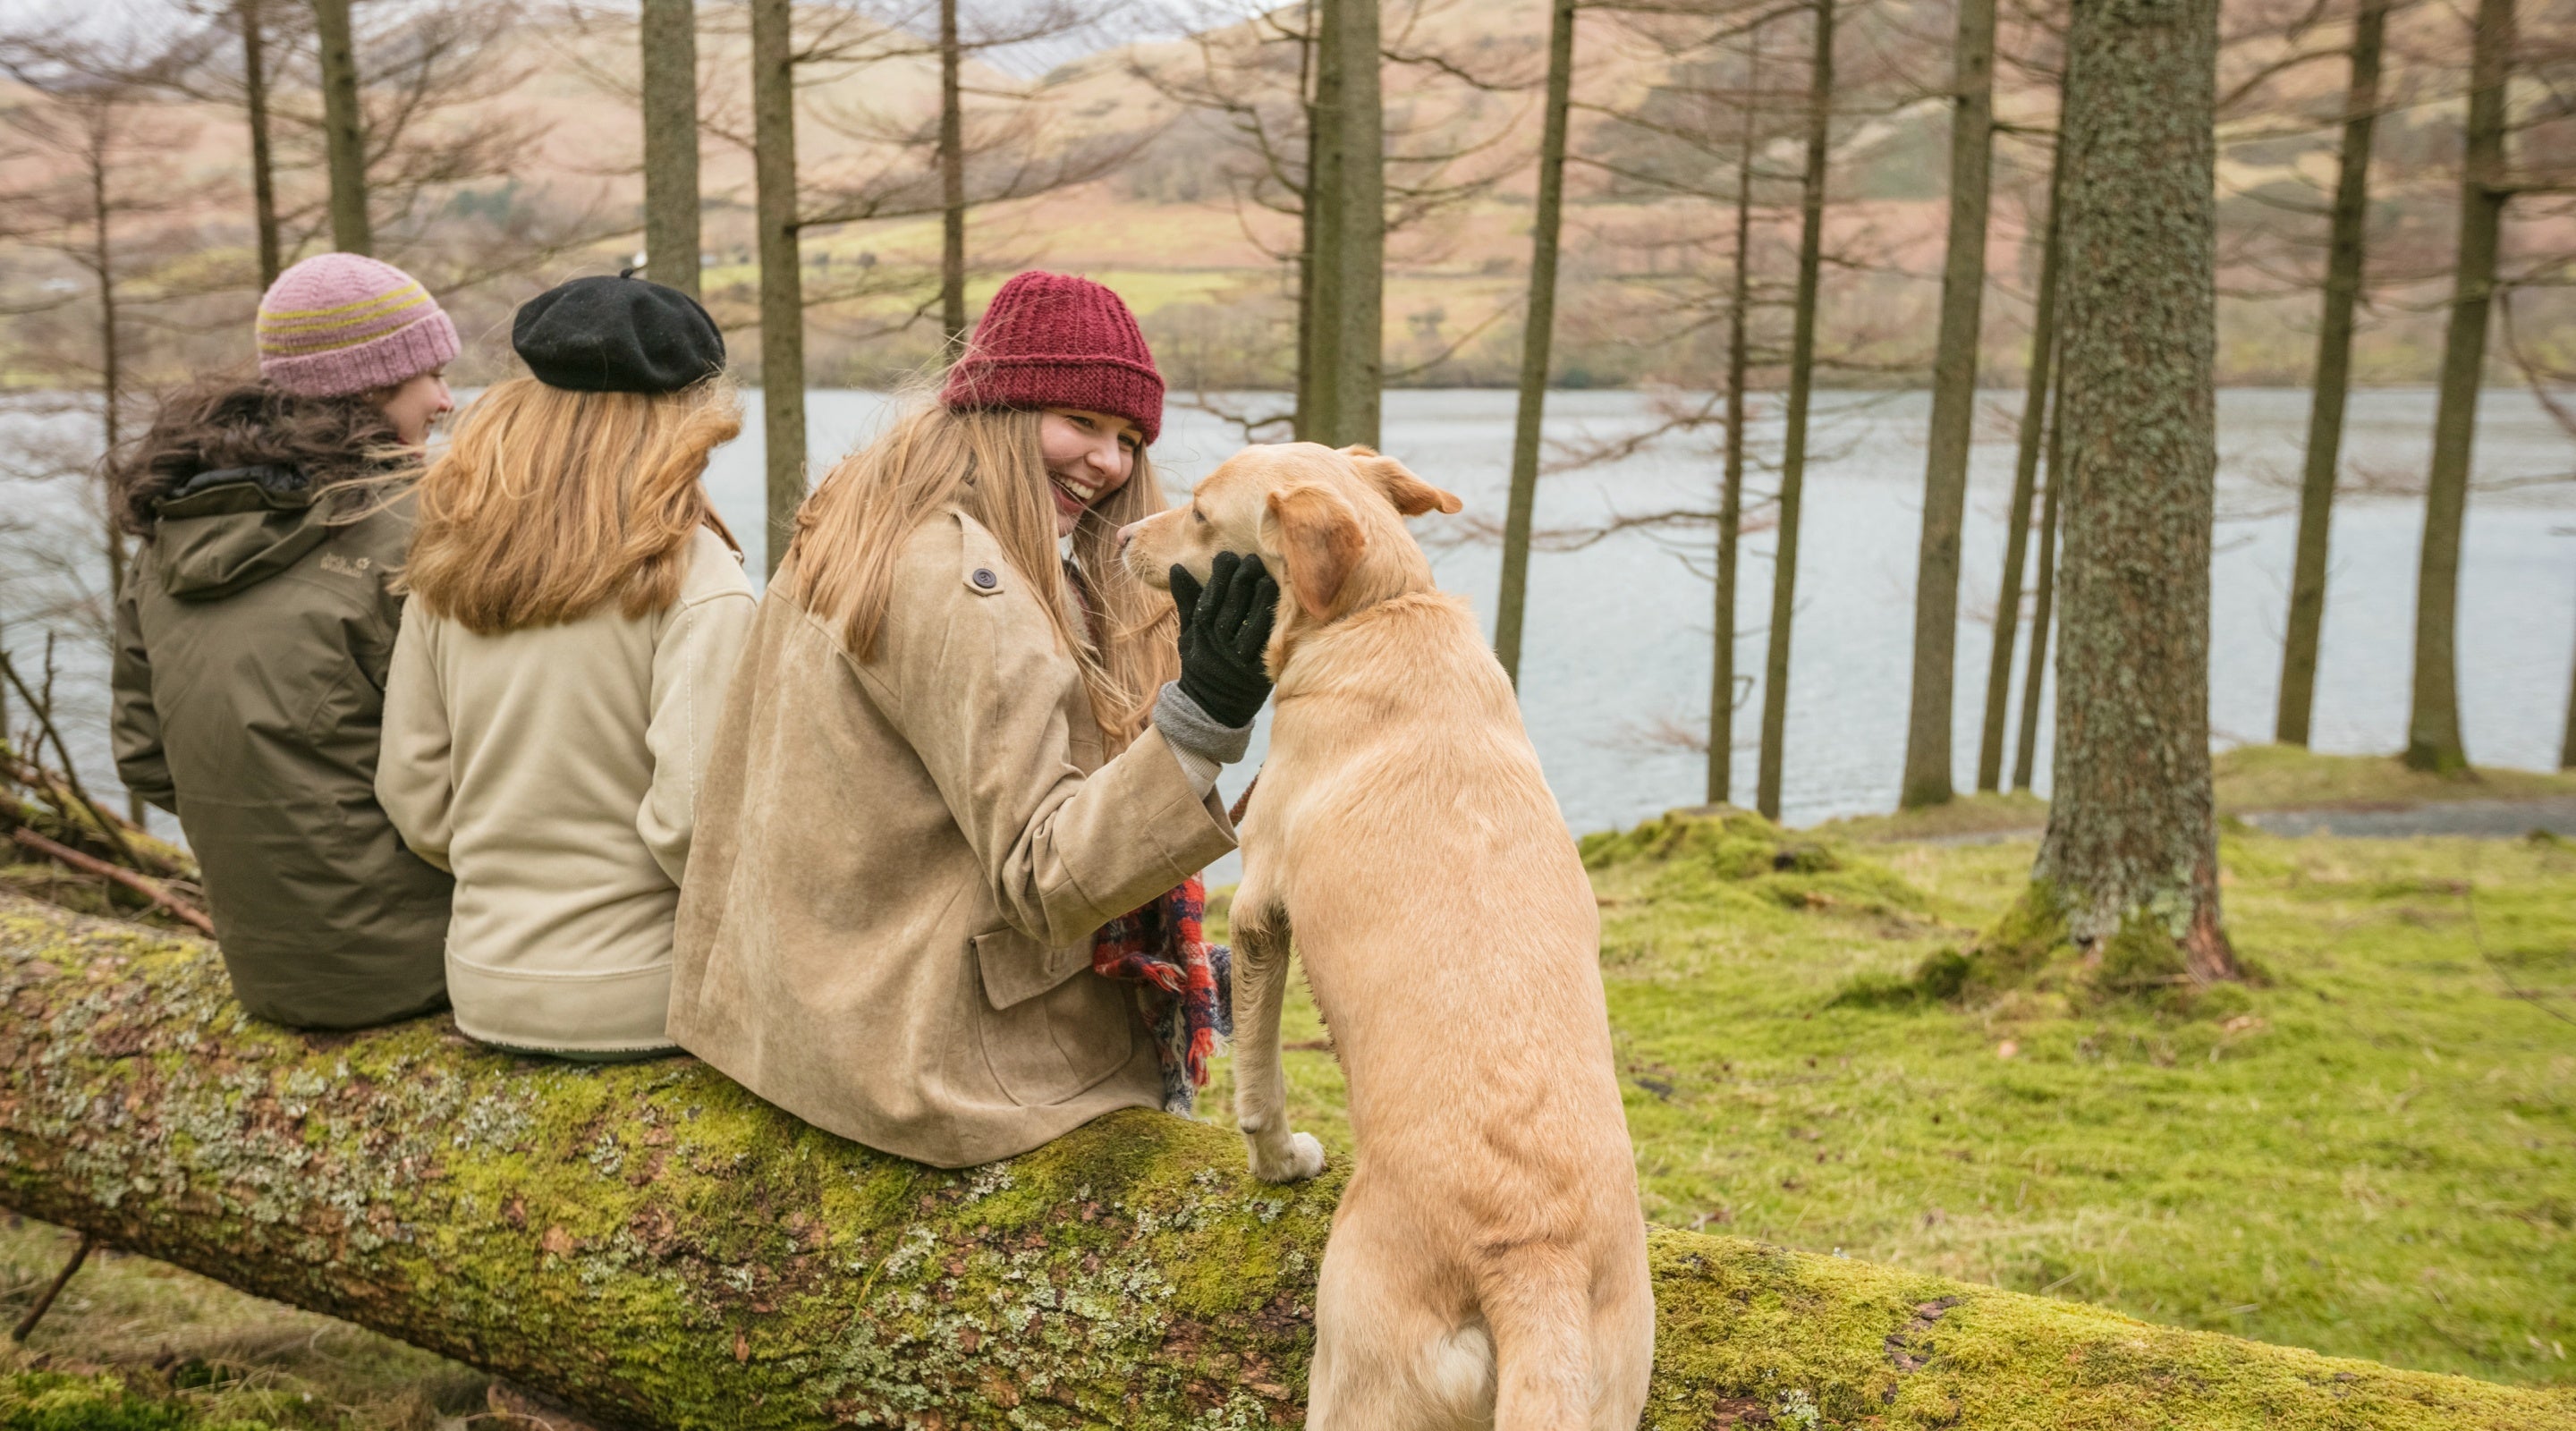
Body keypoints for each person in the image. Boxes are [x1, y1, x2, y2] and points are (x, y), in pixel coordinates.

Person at [667, 270, 1278, 1167]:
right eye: (1079, 422)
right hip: (935, 1063)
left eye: (1127, 437)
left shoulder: (864, 517)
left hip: (811, 1020)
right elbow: (1044, 877)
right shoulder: (972, 586)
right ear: (997, 406)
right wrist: (1202, 721)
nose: (1107, 462)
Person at [376, 275, 753, 1060]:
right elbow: (696, 827)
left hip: (481, 982)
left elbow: (413, 797)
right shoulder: (697, 575)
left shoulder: (449, 563)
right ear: (686, 419)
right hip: (649, 995)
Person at [110, 252, 459, 1029]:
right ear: (369, 388)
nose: (445, 398)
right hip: (431, 964)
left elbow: (144, 762)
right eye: (427, 374)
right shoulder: (417, 531)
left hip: (263, 968)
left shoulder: (166, 539)